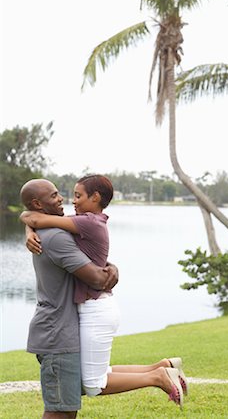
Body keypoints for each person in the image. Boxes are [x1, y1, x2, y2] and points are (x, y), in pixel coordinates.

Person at [20, 177, 188, 418]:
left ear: (95, 197)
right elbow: (97, 278)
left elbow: (33, 218)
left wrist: (110, 267)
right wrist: (110, 271)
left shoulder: (63, 229)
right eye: (55, 195)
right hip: (58, 333)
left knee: (75, 397)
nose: (63, 199)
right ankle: (157, 373)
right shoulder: (56, 236)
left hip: (65, 328)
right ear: (37, 203)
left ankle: (158, 373)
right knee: (65, 407)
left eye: (68, 194)